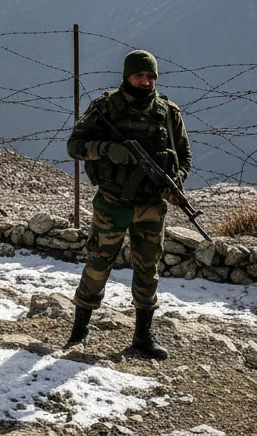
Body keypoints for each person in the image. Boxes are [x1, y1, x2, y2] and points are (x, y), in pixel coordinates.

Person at [65, 50, 192, 359]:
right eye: (139, 76)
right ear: (127, 77)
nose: (146, 82)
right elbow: (75, 145)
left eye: (151, 77)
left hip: (151, 206)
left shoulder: (167, 112)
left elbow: (184, 155)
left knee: (148, 269)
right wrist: (106, 150)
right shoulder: (106, 108)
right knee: (98, 264)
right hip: (113, 202)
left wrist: (175, 180)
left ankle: (143, 336)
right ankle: (80, 330)